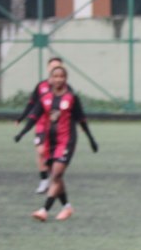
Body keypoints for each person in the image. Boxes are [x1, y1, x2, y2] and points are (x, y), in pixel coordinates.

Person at [14, 64, 98, 221]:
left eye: (62, 76)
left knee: (57, 174)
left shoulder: (72, 98)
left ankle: (44, 210)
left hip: (66, 141)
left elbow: (82, 120)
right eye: (56, 76)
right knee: (56, 176)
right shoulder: (45, 98)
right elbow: (34, 117)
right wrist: (22, 133)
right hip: (50, 141)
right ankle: (67, 207)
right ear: (50, 79)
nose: (58, 79)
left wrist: (91, 139)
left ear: (66, 79)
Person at [17, 56, 67, 194]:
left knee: (54, 156)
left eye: (57, 66)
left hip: (59, 128)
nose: (54, 68)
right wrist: (22, 117)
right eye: (52, 66)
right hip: (42, 124)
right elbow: (32, 103)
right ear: (48, 68)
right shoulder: (41, 86)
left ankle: (54, 180)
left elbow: (73, 108)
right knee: (40, 151)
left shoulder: (66, 89)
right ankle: (44, 180)